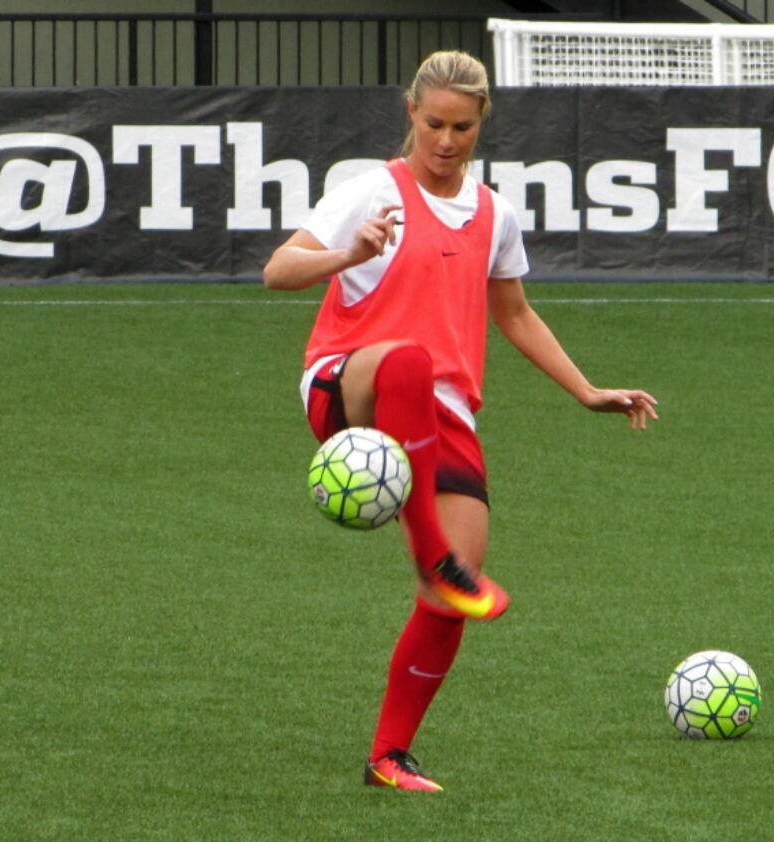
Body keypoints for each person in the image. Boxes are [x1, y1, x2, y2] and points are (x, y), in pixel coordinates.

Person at [262, 50, 659, 792]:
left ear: (482, 126)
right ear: (411, 114)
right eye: (434, 123)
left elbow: (515, 314)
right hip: (347, 386)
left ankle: (390, 756)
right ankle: (428, 544)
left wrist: (585, 390)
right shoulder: (369, 192)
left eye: (463, 127)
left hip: (440, 415)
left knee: (453, 594)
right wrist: (348, 253)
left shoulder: (493, 214)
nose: (446, 140)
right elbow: (277, 270)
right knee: (408, 362)